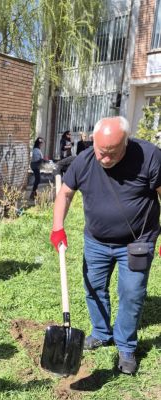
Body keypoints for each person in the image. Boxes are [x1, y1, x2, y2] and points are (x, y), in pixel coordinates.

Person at [50, 116, 161, 374]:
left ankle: (125, 346)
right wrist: (58, 228)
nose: (105, 159)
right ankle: (101, 332)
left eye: (112, 153)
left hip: (137, 242)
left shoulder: (150, 156)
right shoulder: (85, 160)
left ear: (126, 142)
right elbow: (65, 193)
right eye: (101, 152)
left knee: (131, 294)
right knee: (93, 287)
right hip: (96, 241)